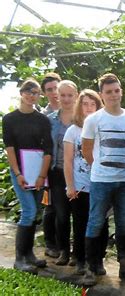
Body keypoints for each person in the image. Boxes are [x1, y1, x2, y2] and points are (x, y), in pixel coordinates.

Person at [81, 73, 125, 286]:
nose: (114, 95)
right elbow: (87, 151)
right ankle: (91, 268)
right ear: (102, 94)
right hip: (101, 181)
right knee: (95, 222)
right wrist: (100, 169)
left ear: (121, 91)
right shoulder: (93, 120)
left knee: (124, 224)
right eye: (109, 92)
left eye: (116, 90)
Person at [2, 79, 53, 273]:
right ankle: (19, 258)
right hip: (20, 172)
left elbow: (48, 148)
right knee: (29, 211)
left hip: (39, 171)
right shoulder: (9, 119)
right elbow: (10, 147)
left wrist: (41, 175)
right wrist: (17, 173)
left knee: (35, 213)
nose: (32, 96)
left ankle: (29, 253)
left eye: (36, 93)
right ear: (22, 93)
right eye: (29, 92)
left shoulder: (42, 120)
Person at [63, 89, 108, 275]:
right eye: (85, 104)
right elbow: (67, 160)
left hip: (102, 186)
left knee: (103, 225)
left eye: (93, 104)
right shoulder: (73, 131)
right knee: (81, 224)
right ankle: (81, 260)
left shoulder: (104, 128)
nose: (89, 108)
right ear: (79, 107)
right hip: (80, 187)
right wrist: (70, 186)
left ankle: (98, 261)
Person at [47, 80, 78, 266]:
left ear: (76, 95)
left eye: (70, 95)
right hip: (57, 173)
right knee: (61, 214)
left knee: (79, 214)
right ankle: (64, 251)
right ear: (57, 96)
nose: (66, 99)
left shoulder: (83, 119)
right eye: (63, 95)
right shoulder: (50, 120)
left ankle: (77, 253)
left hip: (80, 174)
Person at [40, 72, 61, 259]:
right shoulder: (43, 117)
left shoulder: (72, 110)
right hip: (49, 167)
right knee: (51, 206)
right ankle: (50, 243)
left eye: (56, 88)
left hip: (68, 167)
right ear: (44, 92)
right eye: (49, 90)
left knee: (66, 207)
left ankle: (63, 243)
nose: (54, 92)